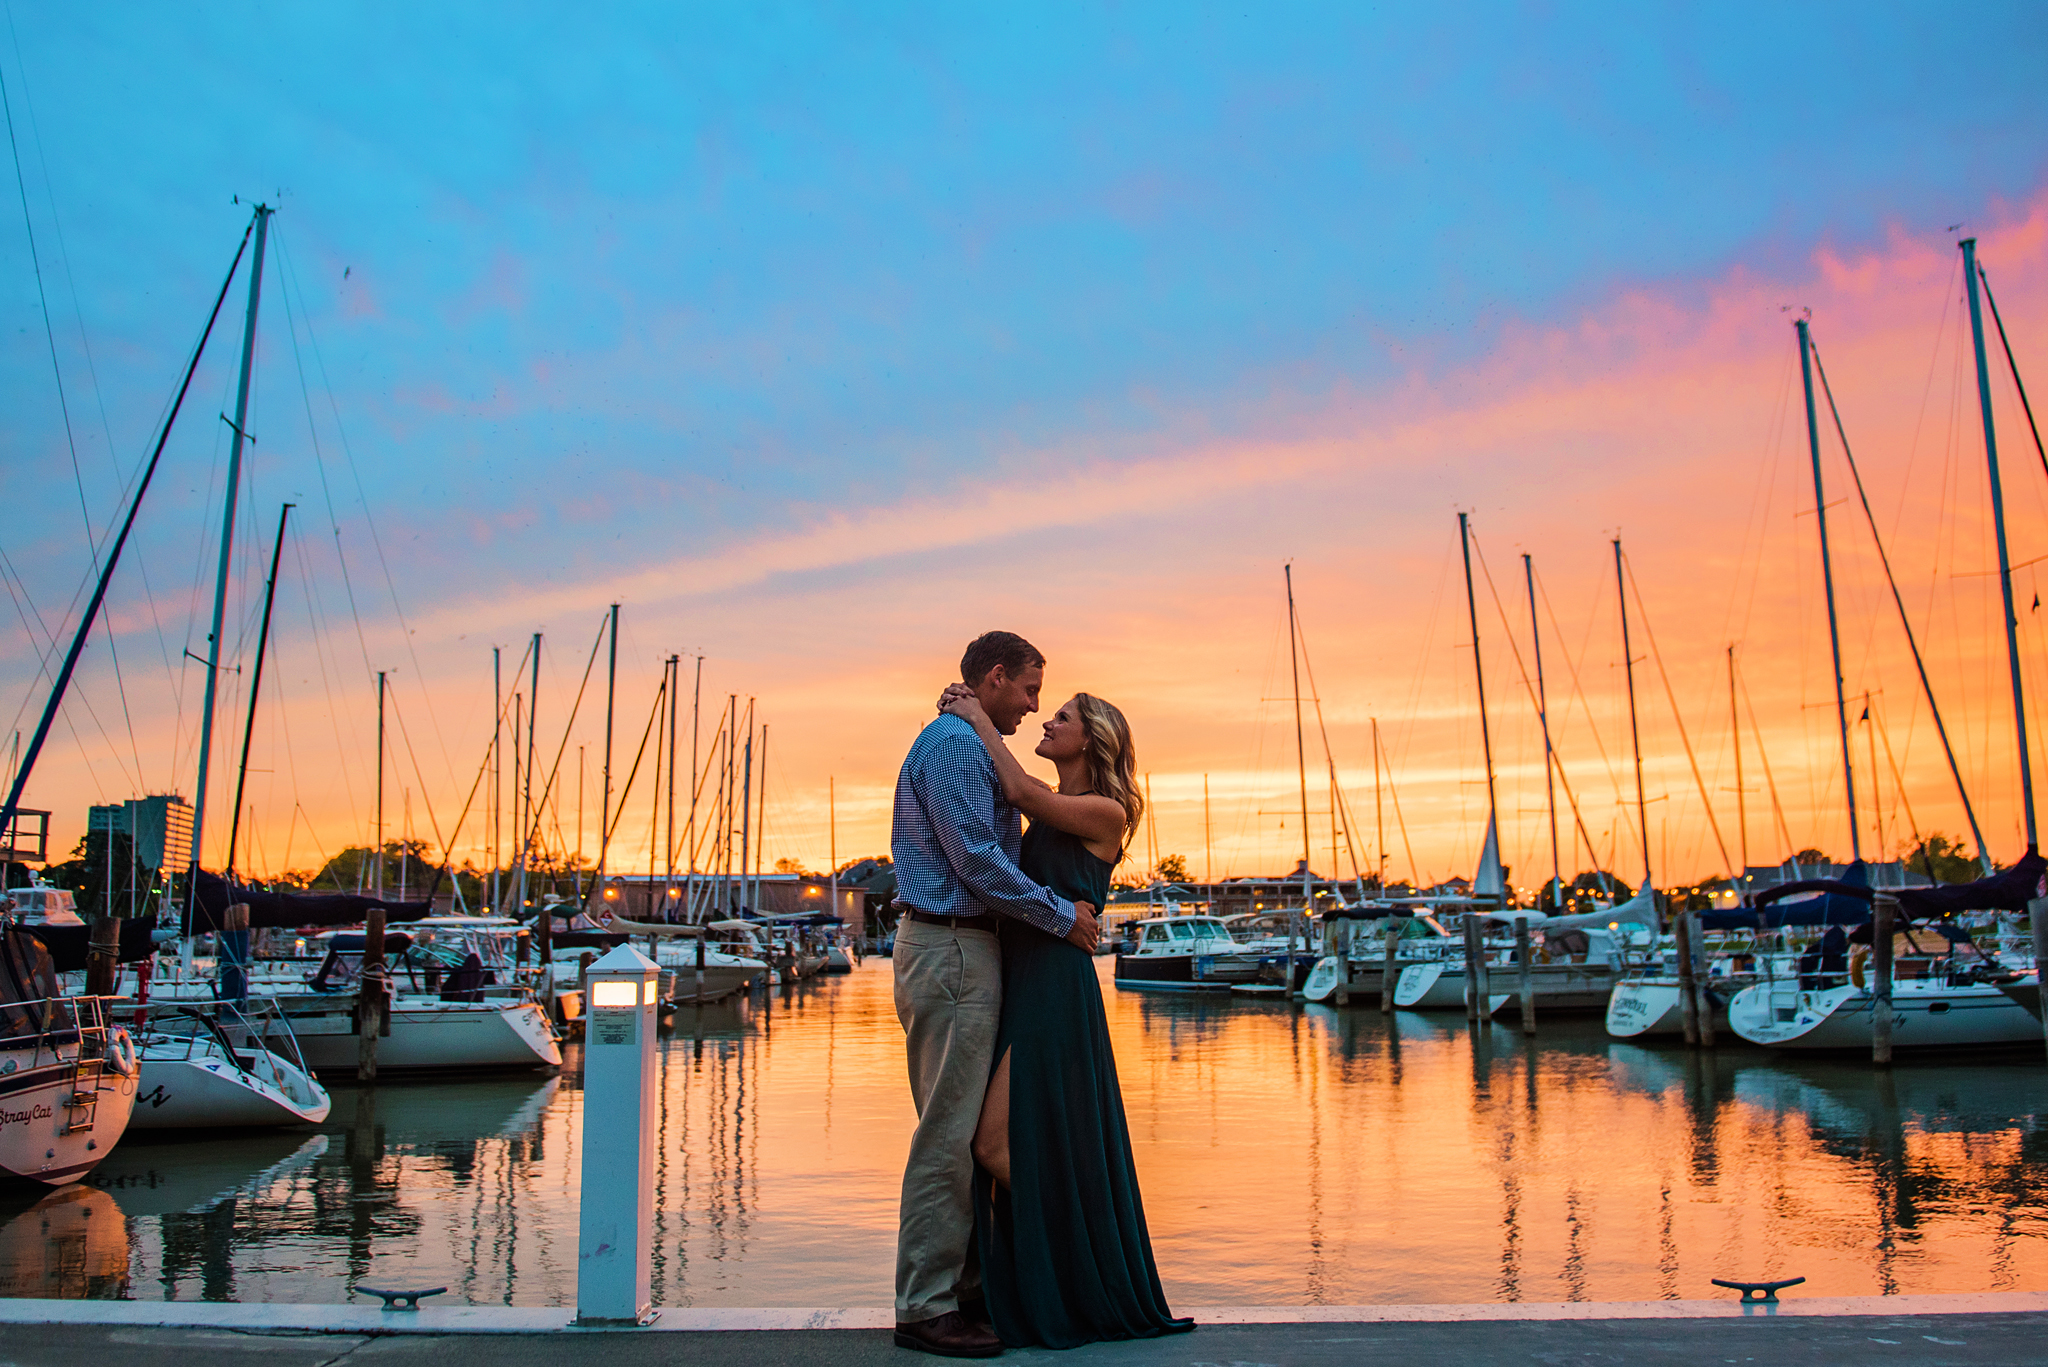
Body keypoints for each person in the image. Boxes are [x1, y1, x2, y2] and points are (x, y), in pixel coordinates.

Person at [938, 683, 1194, 1350]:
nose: (1046, 721)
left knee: (994, 1143)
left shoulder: (1104, 811)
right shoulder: (1051, 817)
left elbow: (1022, 790)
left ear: (1093, 739)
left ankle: (1076, 1261)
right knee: (1013, 1137)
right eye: (1047, 712)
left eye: (1062, 717)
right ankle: (1063, 1265)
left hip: (1055, 985)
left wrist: (974, 715)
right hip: (1017, 976)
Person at [891, 631, 1102, 1359]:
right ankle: (925, 1303)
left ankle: (972, 1288)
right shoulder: (954, 744)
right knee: (948, 1134)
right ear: (996, 676)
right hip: (951, 944)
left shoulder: (968, 739)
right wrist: (1059, 913)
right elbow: (977, 858)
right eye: (1029, 690)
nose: (1033, 706)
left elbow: (1007, 823)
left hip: (966, 948)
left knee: (962, 1133)